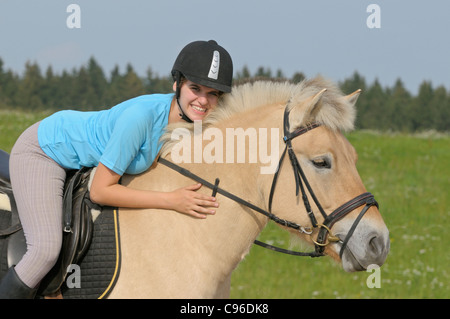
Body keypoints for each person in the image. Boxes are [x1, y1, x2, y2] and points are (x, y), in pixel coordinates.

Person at [0, 40, 233, 298]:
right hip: (45, 151)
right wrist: (171, 200)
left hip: (75, 153)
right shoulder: (141, 118)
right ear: (177, 84)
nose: (203, 100)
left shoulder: (194, 125)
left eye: (213, 94)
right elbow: (100, 191)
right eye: (195, 88)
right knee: (45, 250)